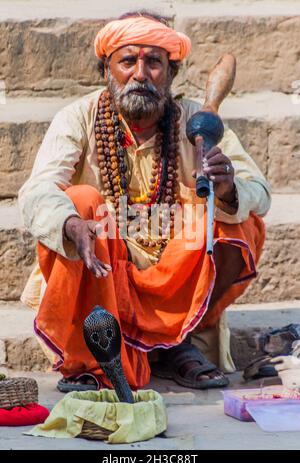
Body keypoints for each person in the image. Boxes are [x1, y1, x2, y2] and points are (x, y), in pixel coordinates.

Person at [18, 11, 271, 393]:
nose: (140, 73)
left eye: (154, 62)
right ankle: (90, 358)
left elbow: (261, 193)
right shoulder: (79, 118)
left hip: (175, 278)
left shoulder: (196, 122)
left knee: (240, 218)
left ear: (170, 74)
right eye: (127, 61)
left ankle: (177, 345)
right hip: (104, 268)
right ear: (107, 69)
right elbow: (37, 191)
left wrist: (228, 188)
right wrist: (70, 224)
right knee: (77, 202)